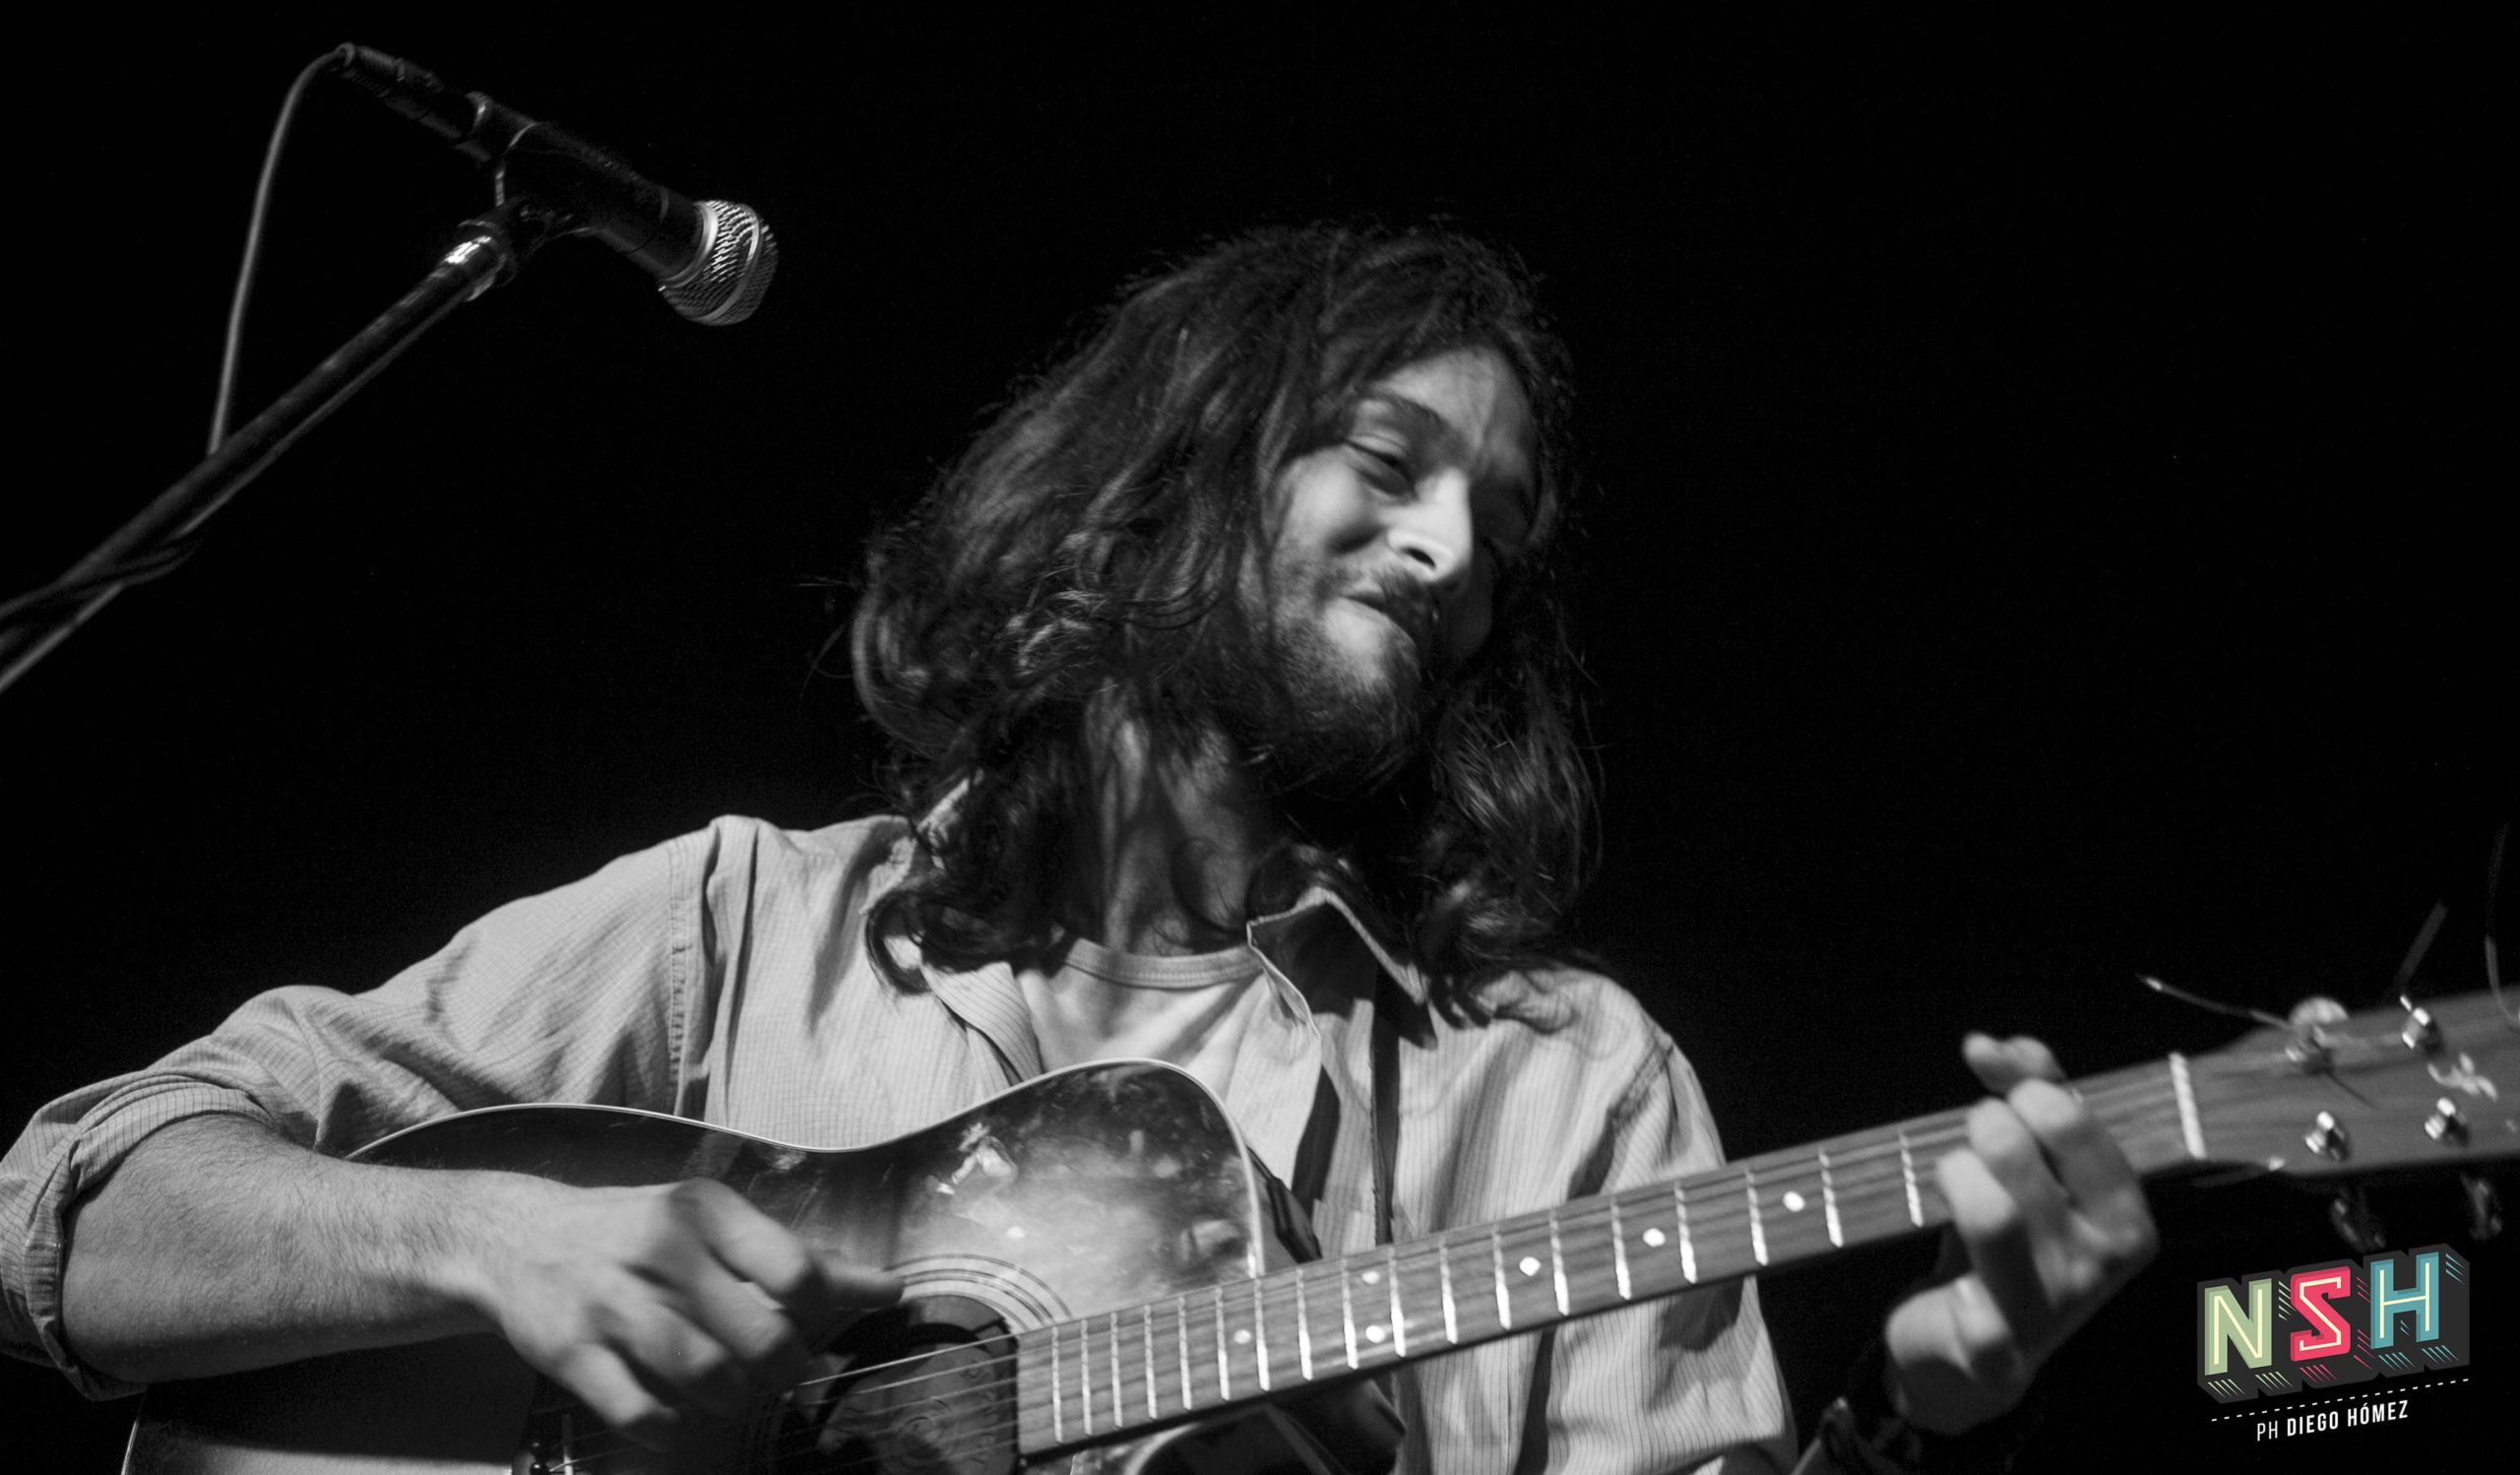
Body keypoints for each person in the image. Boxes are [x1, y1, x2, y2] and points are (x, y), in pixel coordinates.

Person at [0, 226, 2155, 1471]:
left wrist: (1924, 1408)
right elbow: (71, 1209)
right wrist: (497, 1245)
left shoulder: (1566, 1083)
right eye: (1388, 460)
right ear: (1174, 468)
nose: (1447, 553)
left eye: (1496, 534)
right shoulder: (750, 925)